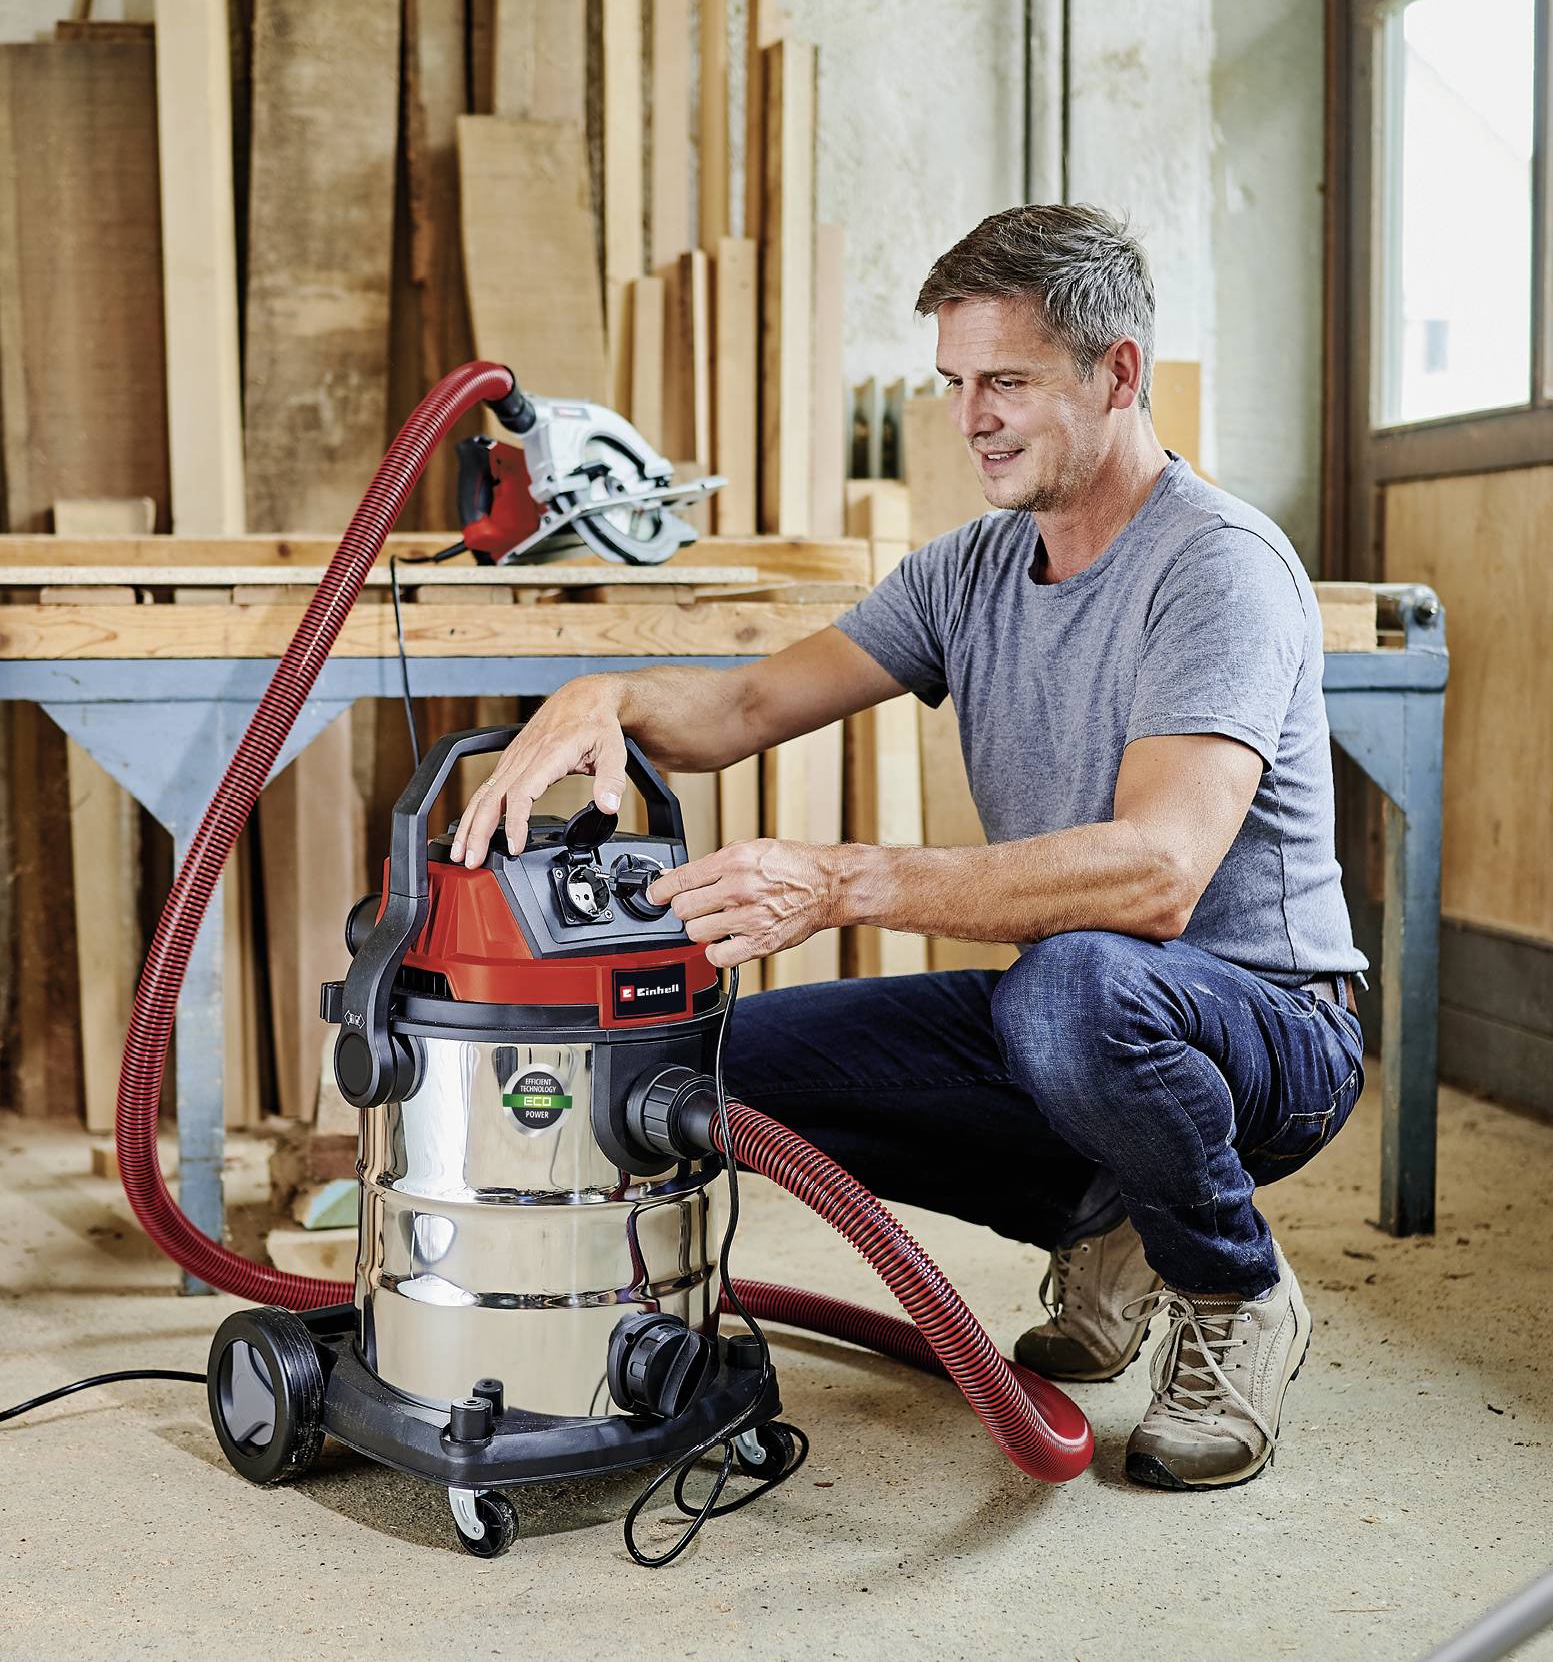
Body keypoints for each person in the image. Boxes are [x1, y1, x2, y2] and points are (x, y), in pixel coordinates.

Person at [450, 203, 1367, 1491]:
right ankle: (1115, 1221)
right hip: (1085, 1009)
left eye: (1006, 381)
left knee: (1071, 992)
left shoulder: (1217, 568)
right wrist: (611, 693)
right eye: (953, 383)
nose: (970, 417)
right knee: (711, 1063)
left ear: (1118, 372)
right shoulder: (970, 575)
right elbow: (750, 707)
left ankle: (1233, 1286)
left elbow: (1160, 876)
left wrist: (841, 880)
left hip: (1272, 1024)